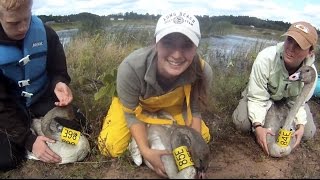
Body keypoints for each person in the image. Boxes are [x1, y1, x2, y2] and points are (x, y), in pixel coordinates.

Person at [98, 11, 212, 177]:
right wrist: (145, 151)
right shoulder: (130, 68)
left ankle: (154, 128)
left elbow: (195, 110)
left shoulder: (203, 71)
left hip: (172, 106)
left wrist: (195, 149)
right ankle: (141, 138)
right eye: (168, 43)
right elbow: (131, 115)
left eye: (186, 45)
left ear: (196, 47)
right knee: (110, 146)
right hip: (136, 107)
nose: (177, 55)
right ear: (156, 43)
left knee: (204, 138)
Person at [0, 0, 85, 171]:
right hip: (8, 108)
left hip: (39, 99)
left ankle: (36, 126)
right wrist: (29, 141)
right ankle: (32, 138)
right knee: (6, 160)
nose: (23, 27)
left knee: (81, 125)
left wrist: (59, 83)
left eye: (27, 18)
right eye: (14, 23)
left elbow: (58, 70)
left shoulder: (46, 33)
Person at [232, 21, 318, 156]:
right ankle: (264, 115)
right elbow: (257, 96)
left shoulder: (310, 74)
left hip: (289, 102)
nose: (290, 48)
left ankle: (280, 116)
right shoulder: (266, 58)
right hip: (261, 95)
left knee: (308, 133)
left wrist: (301, 124)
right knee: (242, 123)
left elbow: (299, 103)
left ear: (310, 52)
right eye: (289, 40)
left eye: (299, 46)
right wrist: (258, 126)